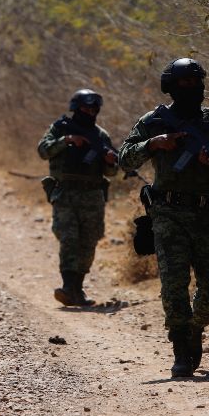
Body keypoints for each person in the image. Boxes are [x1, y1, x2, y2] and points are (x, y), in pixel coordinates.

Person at [118, 58, 209, 377]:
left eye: (196, 82)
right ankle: (179, 350)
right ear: (171, 86)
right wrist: (154, 143)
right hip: (168, 213)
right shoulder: (154, 120)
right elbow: (124, 159)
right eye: (184, 82)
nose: (191, 88)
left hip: (208, 214)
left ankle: (193, 330)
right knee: (174, 285)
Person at [37, 89, 118, 307]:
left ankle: (77, 289)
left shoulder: (100, 135)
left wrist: (110, 161)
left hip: (92, 196)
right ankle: (68, 286)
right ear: (76, 108)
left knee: (89, 241)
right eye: (86, 108)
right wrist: (67, 140)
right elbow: (43, 150)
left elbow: (110, 173)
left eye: (94, 109)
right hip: (66, 193)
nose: (90, 112)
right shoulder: (60, 128)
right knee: (69, 239)